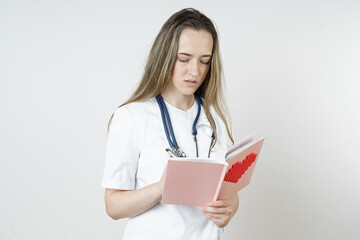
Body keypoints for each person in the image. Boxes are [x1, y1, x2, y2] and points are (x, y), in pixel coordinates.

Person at [101, 8, 239, 240]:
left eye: (204, 61)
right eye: (184, 59)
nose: (195, 71)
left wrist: (229, 208)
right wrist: (159, 188)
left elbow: (228, 191)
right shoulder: (132, 117)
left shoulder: (214, 116)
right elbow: (113, 206)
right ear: (165, 56)